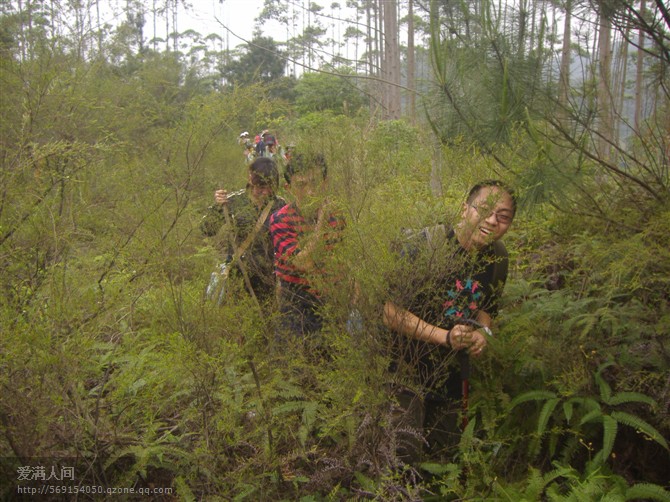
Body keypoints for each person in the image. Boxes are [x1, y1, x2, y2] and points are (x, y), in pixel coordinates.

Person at [382, 180, 516, 462]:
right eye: (485, 210)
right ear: (465, 208)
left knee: (444, 459)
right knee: (402, 457)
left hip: (453, 375)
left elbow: (487, 311)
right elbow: (390, 312)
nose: (492, 221)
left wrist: (483, 334)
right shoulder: (426, 246)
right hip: (403, 367)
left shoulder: (498, 259)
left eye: (503, 217)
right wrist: (444, 337)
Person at [270, 153, 345, 343]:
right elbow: (304, 262)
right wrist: (321, 223)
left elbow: (346, 260)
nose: (310, 192)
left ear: (325, 182)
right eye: (301, 185)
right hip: (296, 307)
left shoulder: (339, 215)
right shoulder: (281, 220)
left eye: (315, 182)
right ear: (289, 188)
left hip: (333, 302)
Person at [201, 157, 285, 305]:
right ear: (250, 179)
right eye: (260, 186)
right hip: (237, 275)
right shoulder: (233, 202)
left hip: (268, 277)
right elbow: (207, 229)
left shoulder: (280, 205)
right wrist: (217, 207)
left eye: (269, 186)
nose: (265, 192)